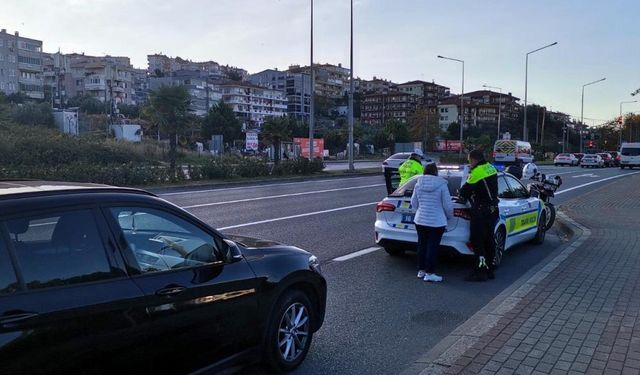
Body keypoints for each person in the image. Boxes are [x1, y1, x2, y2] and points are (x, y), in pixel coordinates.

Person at [459, 149, 499, 282]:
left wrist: (460, 192)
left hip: (481, 211)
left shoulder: (477, 172)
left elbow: (464, 192)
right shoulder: (490, 168)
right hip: (493, 210)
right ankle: (490, 269)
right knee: (489, 240)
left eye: (469, 160)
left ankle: (480, 272)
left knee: (477, 241)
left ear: (474, 159)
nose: (469, 163)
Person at [411, 163, 454, 282]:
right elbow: (448, 205)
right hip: (437, 221)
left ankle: (421, 270)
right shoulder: (442, 185)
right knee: (432, 247)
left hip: (420, 220)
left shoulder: (418, 184)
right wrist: (449, 217)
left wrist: (419, 211)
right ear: (436, 172)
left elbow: (413, 202)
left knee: (421, 245)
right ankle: (430, 273)